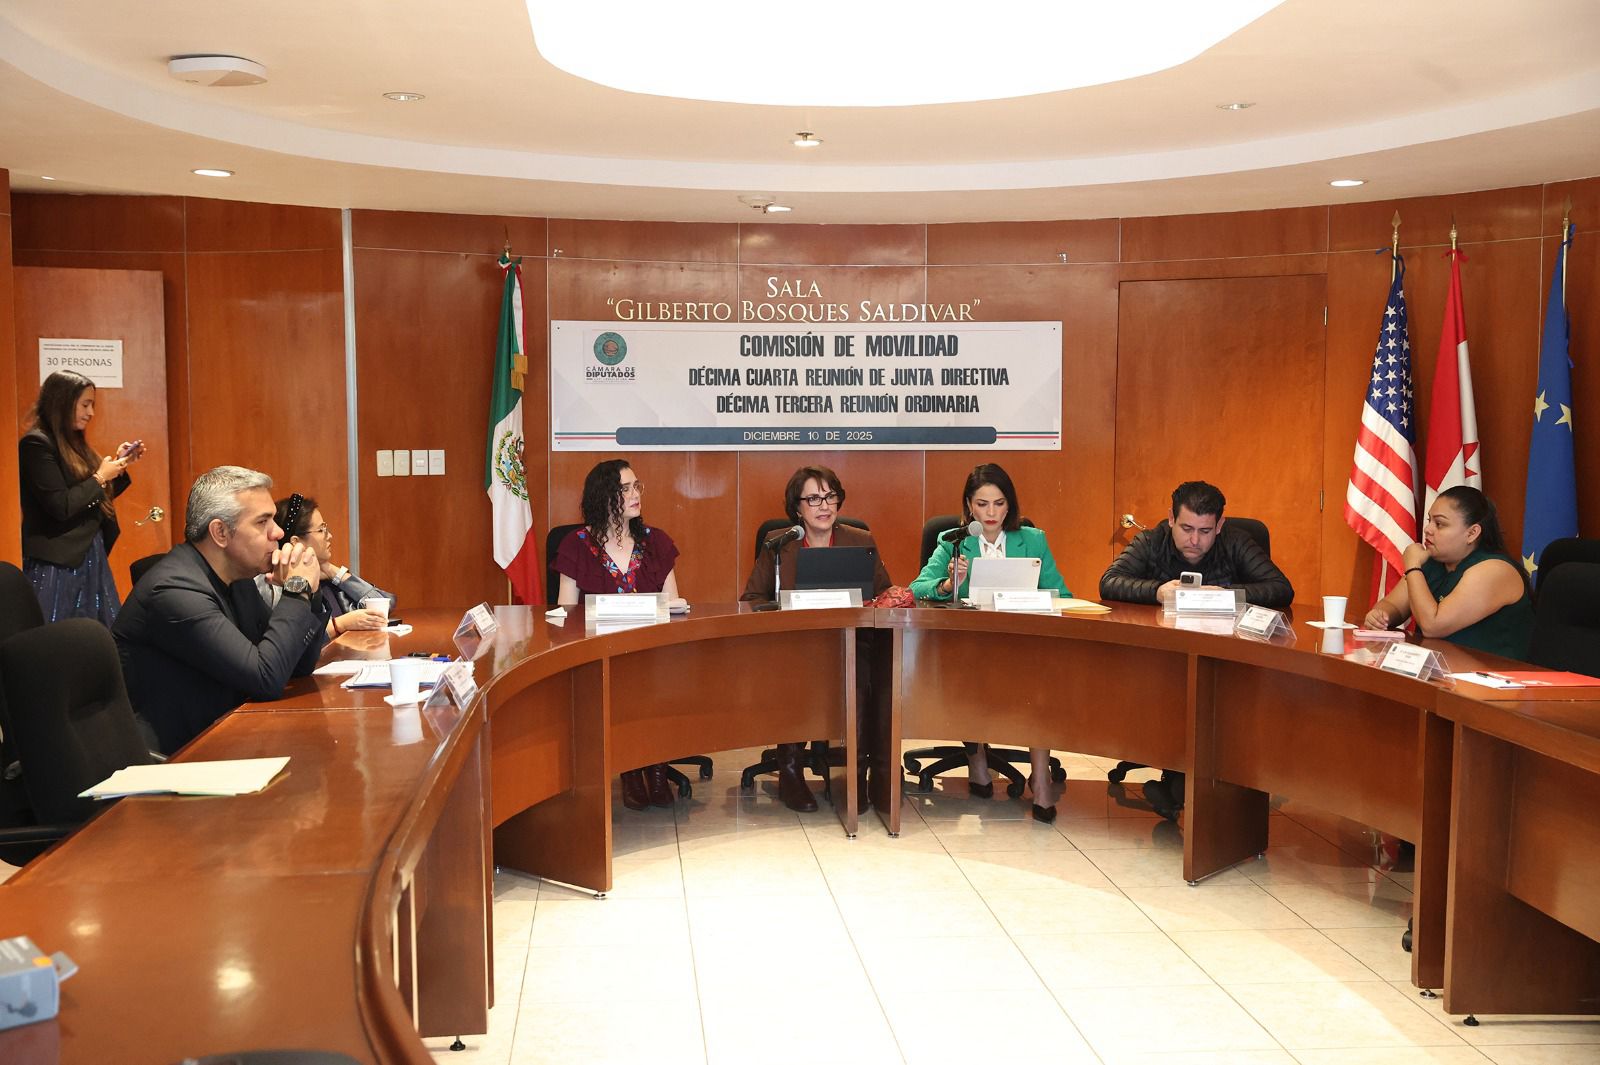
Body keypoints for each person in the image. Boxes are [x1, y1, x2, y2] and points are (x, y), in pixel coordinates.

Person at [1099, 480, 1294, 820]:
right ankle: (1179, 783)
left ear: (1219, 525)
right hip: (1163, 660)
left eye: (1205, 531)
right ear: (1171, 519)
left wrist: (1229, 594)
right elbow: (1109, 581)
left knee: (1212, 701)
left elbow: (1280, 588)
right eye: (1186, 528)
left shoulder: (1235, 541)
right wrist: (1157, 591)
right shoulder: (1152, 540)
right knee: (1179, 696)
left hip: (1227, 662)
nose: (1194, 540)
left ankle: (1184, 785)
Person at [113, 466, 329, 754]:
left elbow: (295, 666)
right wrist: (297, 588)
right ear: (220, 532)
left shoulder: (237, 578)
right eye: (262, 522)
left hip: (229, 737)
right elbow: (266, 678)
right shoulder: (174, 591)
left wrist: (309, 592)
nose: (278, 532)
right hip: (181, 756)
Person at [910, 463, 1070, 821]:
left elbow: (1062, 593)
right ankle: (976, 757)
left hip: (1021, 644)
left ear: (1010, 505)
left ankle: (1040, 777)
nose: (992, 513)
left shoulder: (1033, 540)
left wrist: (1037, 600)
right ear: (969, 505)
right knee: (969, 673)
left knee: (1040, 682)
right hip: (969, 647)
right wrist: (948, 584)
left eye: (999, 503)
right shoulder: (953, 541)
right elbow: (917, 589)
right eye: (982, 504)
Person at [741, 465, 892, 813]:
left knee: (863, 673)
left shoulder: (860, 540)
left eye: (830, 496)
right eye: (813, 499)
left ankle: (855, 774)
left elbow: (884, 593)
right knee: (798, 672)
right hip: (796, 646)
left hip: (851, 643)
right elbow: (751, 598)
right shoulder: (779, 544)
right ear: (797, 508)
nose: (824, 506)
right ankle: (790, 772)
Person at [555, 460, 682, 812]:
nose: (635, 494)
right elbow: (566, 612)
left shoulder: (656, 541)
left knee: (659, 678)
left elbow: (673, 604)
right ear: (603, 496)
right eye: (624, 489)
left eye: (636, 486)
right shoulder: (576, 545)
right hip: (601, 653)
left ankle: (657, 767)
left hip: (652, 652)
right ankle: (630, 770)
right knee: (621, 682)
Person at [19, 370, 146, 624]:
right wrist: (100, 476)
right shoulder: (36, 444)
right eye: (85, 404)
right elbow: (61, 505)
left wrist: (118, 468)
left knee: (101, 632)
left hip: (89, 554)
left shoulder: (74, 443)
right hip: (56, 563)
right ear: (63, 402)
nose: (91, 413)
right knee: (55, 633)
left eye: (92, 405)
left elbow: (89, 498)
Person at [1363, 485, 1533, 660]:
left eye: (1439, 524)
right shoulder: (1433, 561)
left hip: (1492, 674)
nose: (1427, 529)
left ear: (1472, 533)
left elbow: (1433, 625)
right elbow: (1393, 605)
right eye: (1429, 520)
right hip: (1439, 669)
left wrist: (1412, 566)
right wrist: (1381, 616)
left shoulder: (1494, 570)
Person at [257, 493, 395, 640]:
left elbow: (384, 605)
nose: (329, 536)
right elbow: (292, 641)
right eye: (321, 530)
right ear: (296, 542)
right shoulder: (273, 584)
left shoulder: (327, 578)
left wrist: (334, 572)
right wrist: (339, 624)